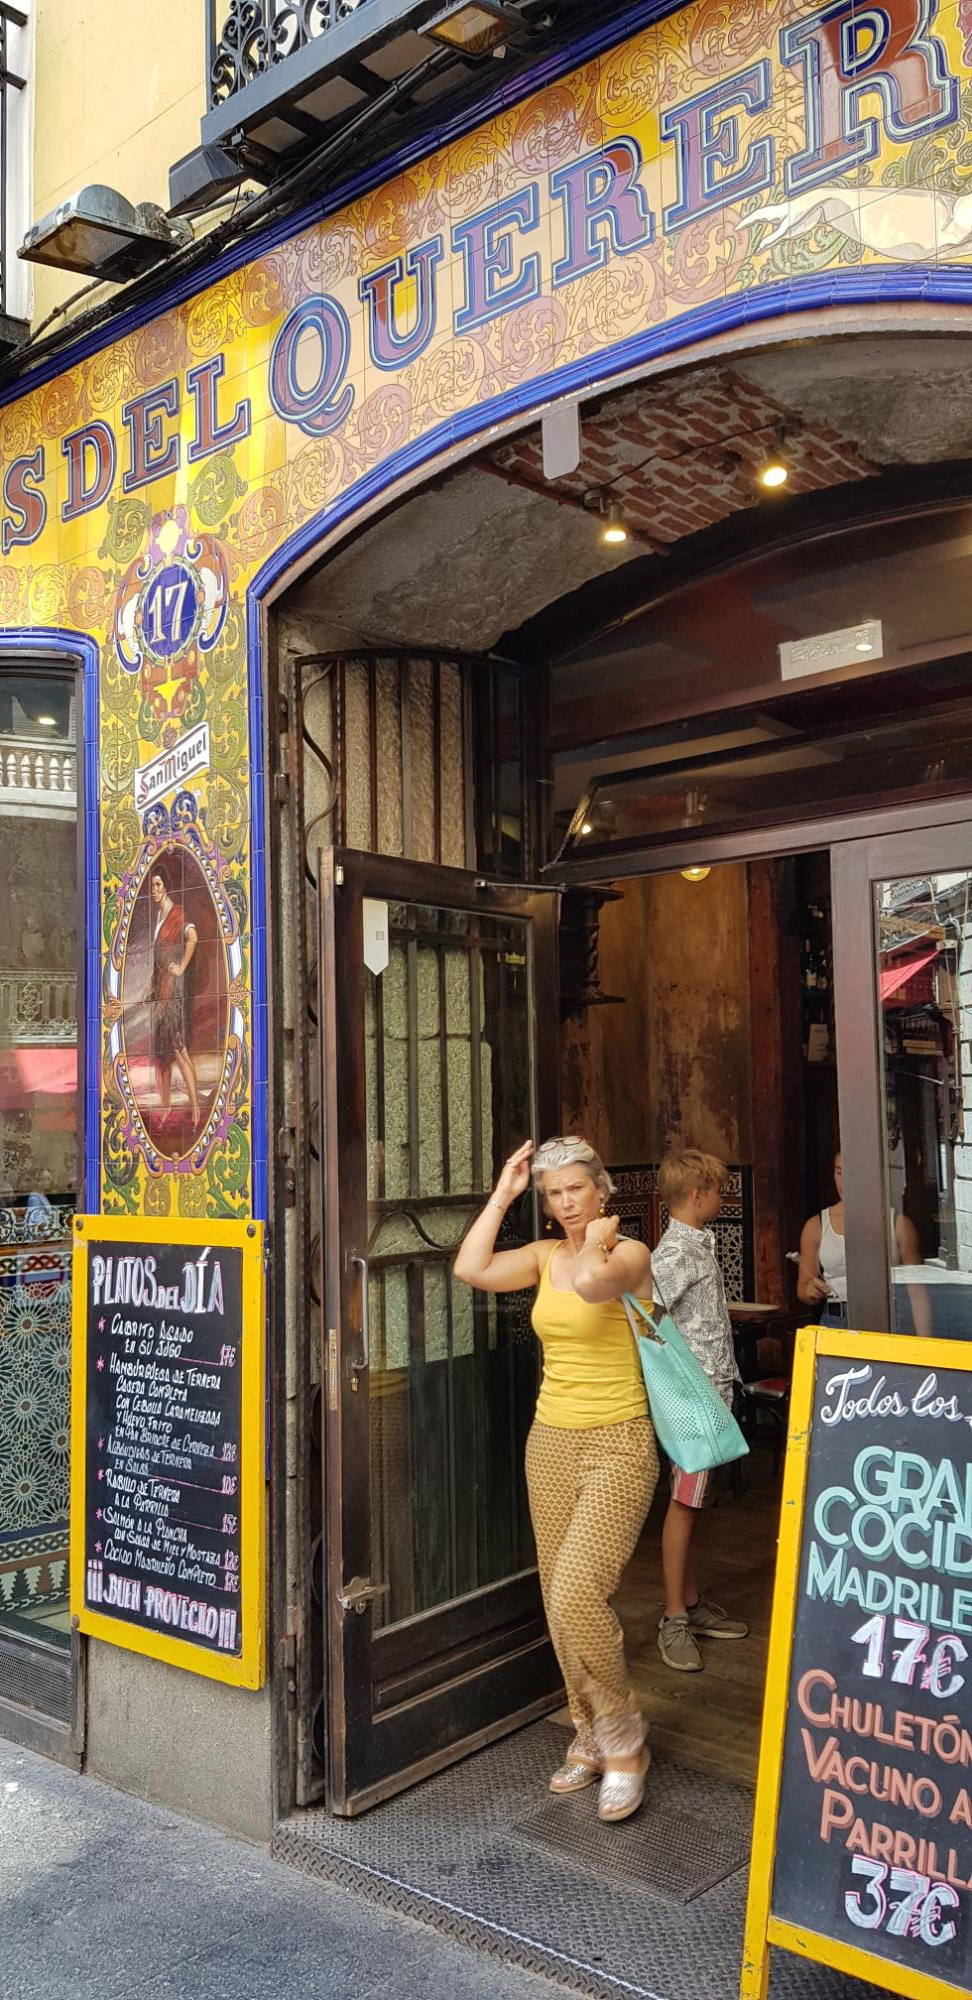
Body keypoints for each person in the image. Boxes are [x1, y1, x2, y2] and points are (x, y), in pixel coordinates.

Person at [454, 1135, 657, 1823]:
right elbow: (471, 1267)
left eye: (576, 1188)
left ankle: (625, 1738)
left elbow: (596, 1285)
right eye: (554, 1193)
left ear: (602, 1189)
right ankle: (588, 1730)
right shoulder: (544, 1257)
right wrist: (504, 1192)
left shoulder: (630, 1255)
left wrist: (597, 1240)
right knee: (555, 1596)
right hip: (549, 1443)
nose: (566, 1203)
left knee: (577, 1592)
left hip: (620, 1441)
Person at [650, 1148, 749, 1674]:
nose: (723, 1199)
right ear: (696, 1195)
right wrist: (679, 1377)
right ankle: (673, 1617)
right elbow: (645, 1314)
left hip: (711, 1394)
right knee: (685, 1504)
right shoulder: (676, 1253)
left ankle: (690, 1602)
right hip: (695, 1398)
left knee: (699, 1502)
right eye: (717, 1192)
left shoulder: (697, 1244)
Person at [798, 1150, 929, 1333]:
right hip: (836, 1320)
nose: (844, 1183)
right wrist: (811, 1292)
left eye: (852, 1174)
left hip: (886, 1318)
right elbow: (803, 1287)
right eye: (839, 1172)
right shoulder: (817, 1225)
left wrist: (924, 1340)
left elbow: (916, 1291)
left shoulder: (897, 1224)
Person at [143, 864, 200, 1131]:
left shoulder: (177, 914)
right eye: (152, 886)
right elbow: (159, 961)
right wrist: (149, 987)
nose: (154, 890)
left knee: (179, 1049)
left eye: (158, 885)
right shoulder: (159, 917)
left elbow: (193, 937)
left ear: (166, 886)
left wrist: (181, 967)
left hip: (173, 994)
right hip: (159, 994)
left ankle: (196, 1109)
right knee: (163, 1054)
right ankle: (165, 1108)